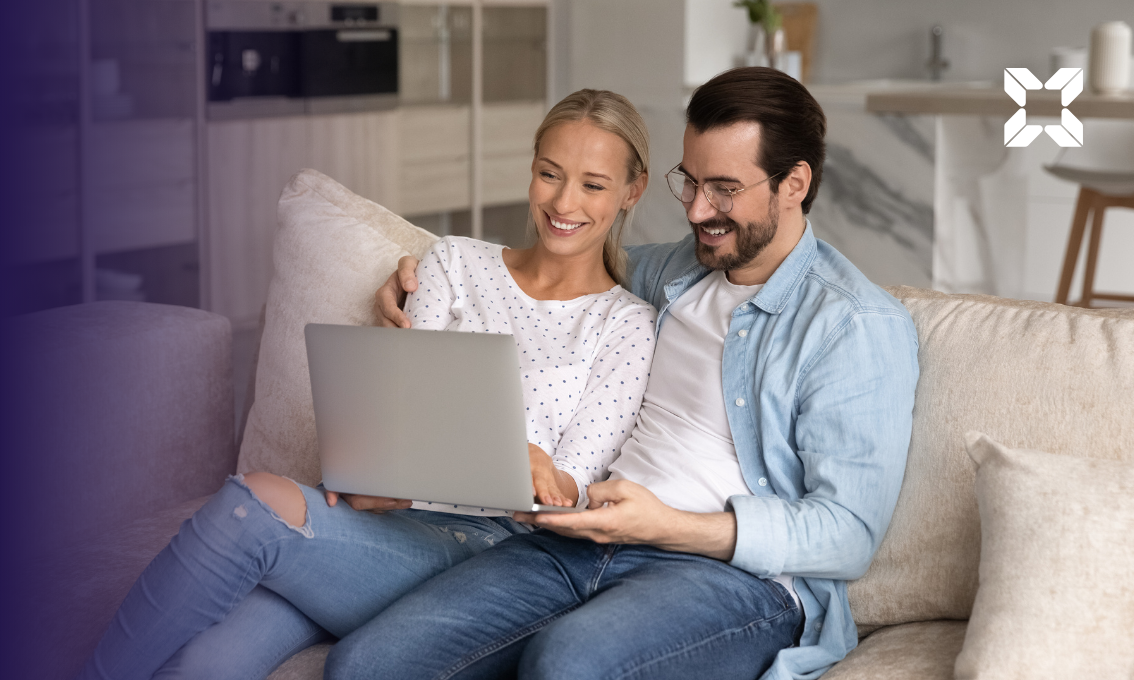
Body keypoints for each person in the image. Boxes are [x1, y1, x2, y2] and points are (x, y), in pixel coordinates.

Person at [353, 66, 920, 680]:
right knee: (368, 663)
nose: (697, 210)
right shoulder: (669, 272)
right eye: (690, 181)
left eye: (724, 189)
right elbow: (552, 258)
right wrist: (410, 274)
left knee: (567, 664)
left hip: (729, 579)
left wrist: (668, 527)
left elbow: (848, 534)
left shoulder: (854, 325)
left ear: (794, 184)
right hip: (578, 543)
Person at [78, 89, 658, 680]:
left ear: (631, 192)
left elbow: (571, 490)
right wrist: (370, 471)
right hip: (378, 519)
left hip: (487, 552)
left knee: (252, 503)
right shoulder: (454, 262)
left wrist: (525, 463)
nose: (563, 202)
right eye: (550, 174)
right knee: (206, 663)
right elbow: (399, 402)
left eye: (593, 185)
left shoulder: (626, 325)